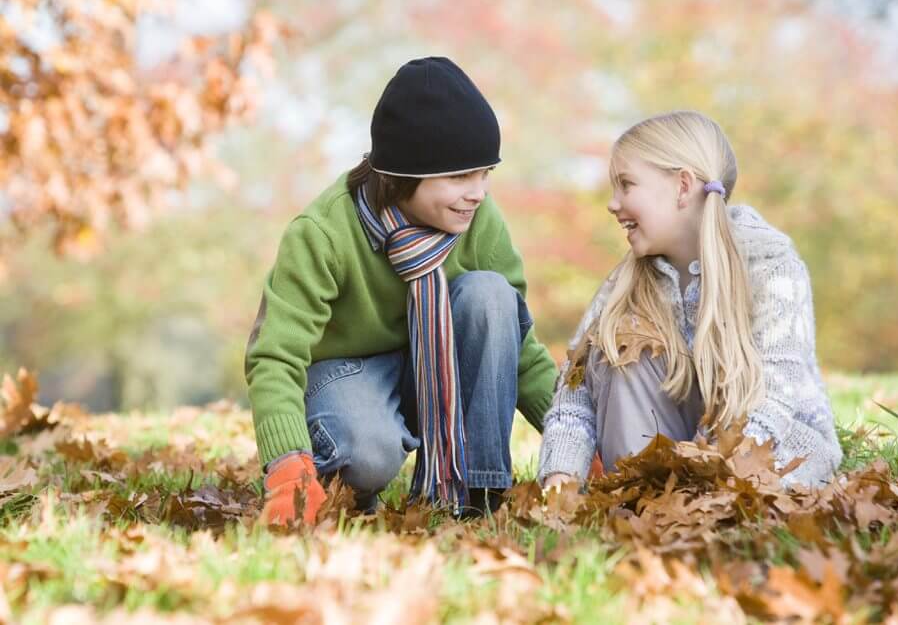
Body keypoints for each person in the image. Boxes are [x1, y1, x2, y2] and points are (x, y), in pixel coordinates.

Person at [246, 56, 558, 524]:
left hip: (433, 366)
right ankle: (342, 476)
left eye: (485, 173)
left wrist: (572, 434)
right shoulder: (324, 233)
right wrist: (287, 465)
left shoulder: (477, 222)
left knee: (492, 297)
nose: (478, 192)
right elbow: (275, 355)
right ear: (401, 175)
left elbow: (521, 350)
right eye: (459, 177)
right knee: (367, 455)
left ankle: (477, 494)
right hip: (345, 376)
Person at [538, 110, 842, 490]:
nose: (613, 204)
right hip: (668, 456)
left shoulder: (769, 265)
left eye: (626, 185)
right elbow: (575, 390)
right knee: (613, 349)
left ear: (683, 186)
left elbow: (775, 398)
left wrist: (713, 480)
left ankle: (695, 504)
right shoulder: (627, 282)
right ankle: (644, 496)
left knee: (762, 464)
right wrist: (560, 477)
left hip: (771, 454)